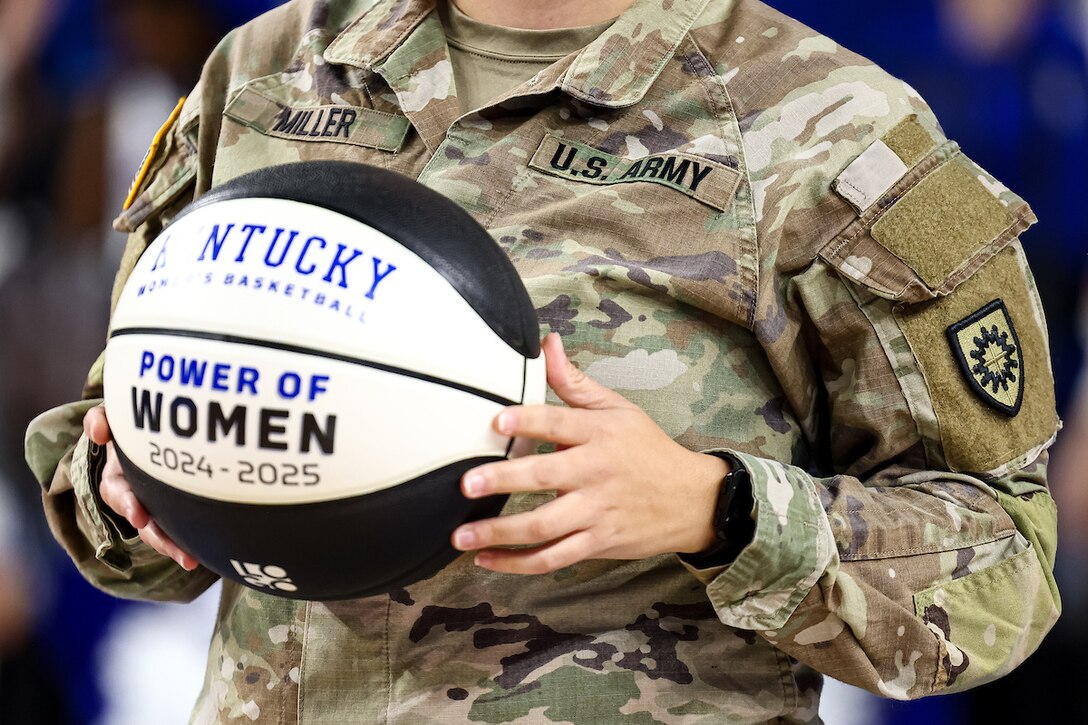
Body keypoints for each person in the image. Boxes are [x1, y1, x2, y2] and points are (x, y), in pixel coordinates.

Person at [25, 0, 1061, 721]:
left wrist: (718, 508)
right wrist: (135, 483)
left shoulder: (826, 131)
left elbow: (1005, 561)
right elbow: (115, 472)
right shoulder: (264, 72)